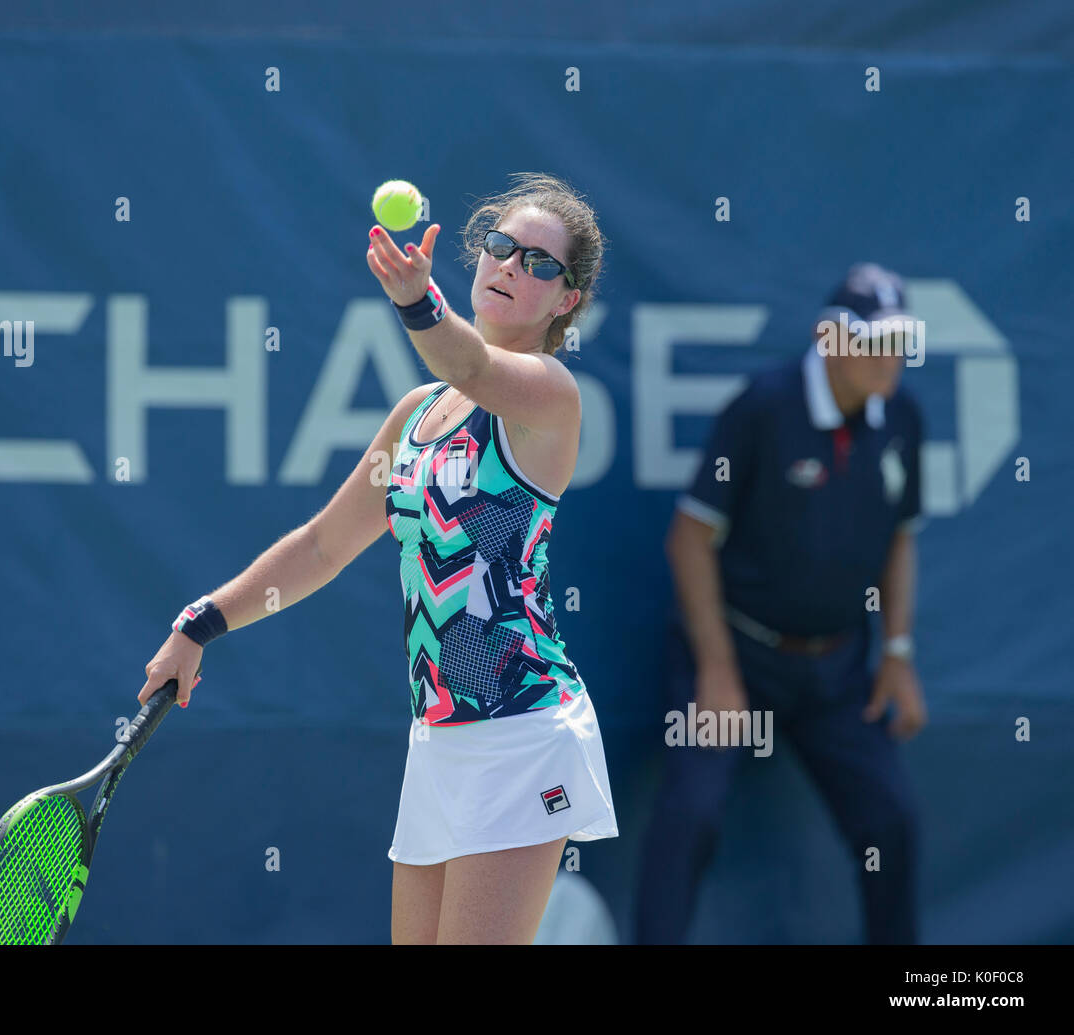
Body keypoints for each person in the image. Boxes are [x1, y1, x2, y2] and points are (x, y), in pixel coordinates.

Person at [138, 172, 618, 944]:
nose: (509, 266)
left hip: (523, 732)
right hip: (437, 741)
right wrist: (200, 624)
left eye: (538, 263)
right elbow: (324, 544)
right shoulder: (416, 418)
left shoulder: (549, 396)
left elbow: (473, 368)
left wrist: (417, 303)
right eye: (501, 247)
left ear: (566, 300)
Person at [634, 262, 929, 944]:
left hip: (838, 670)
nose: (892, 359)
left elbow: (901, 540)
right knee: (692, 813)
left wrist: (898, 652)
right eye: (875, 341)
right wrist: (716, 668)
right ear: (830, 338)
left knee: (891, 820)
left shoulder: (904, 418)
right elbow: (689, 539)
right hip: (735, 652)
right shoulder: (763, 407)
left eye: (900, 342)